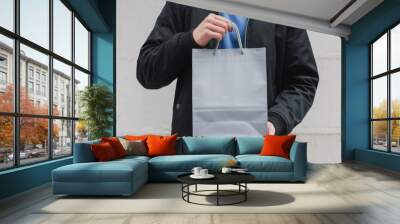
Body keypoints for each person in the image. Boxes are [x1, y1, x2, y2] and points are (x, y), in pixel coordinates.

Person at [137, 2, 319, 137]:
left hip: (259, 148)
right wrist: (191, 39)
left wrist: (276, 120)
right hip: (195, 152)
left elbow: (303, 80)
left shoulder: (282, 6)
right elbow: (147, 71)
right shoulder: (186, 4)